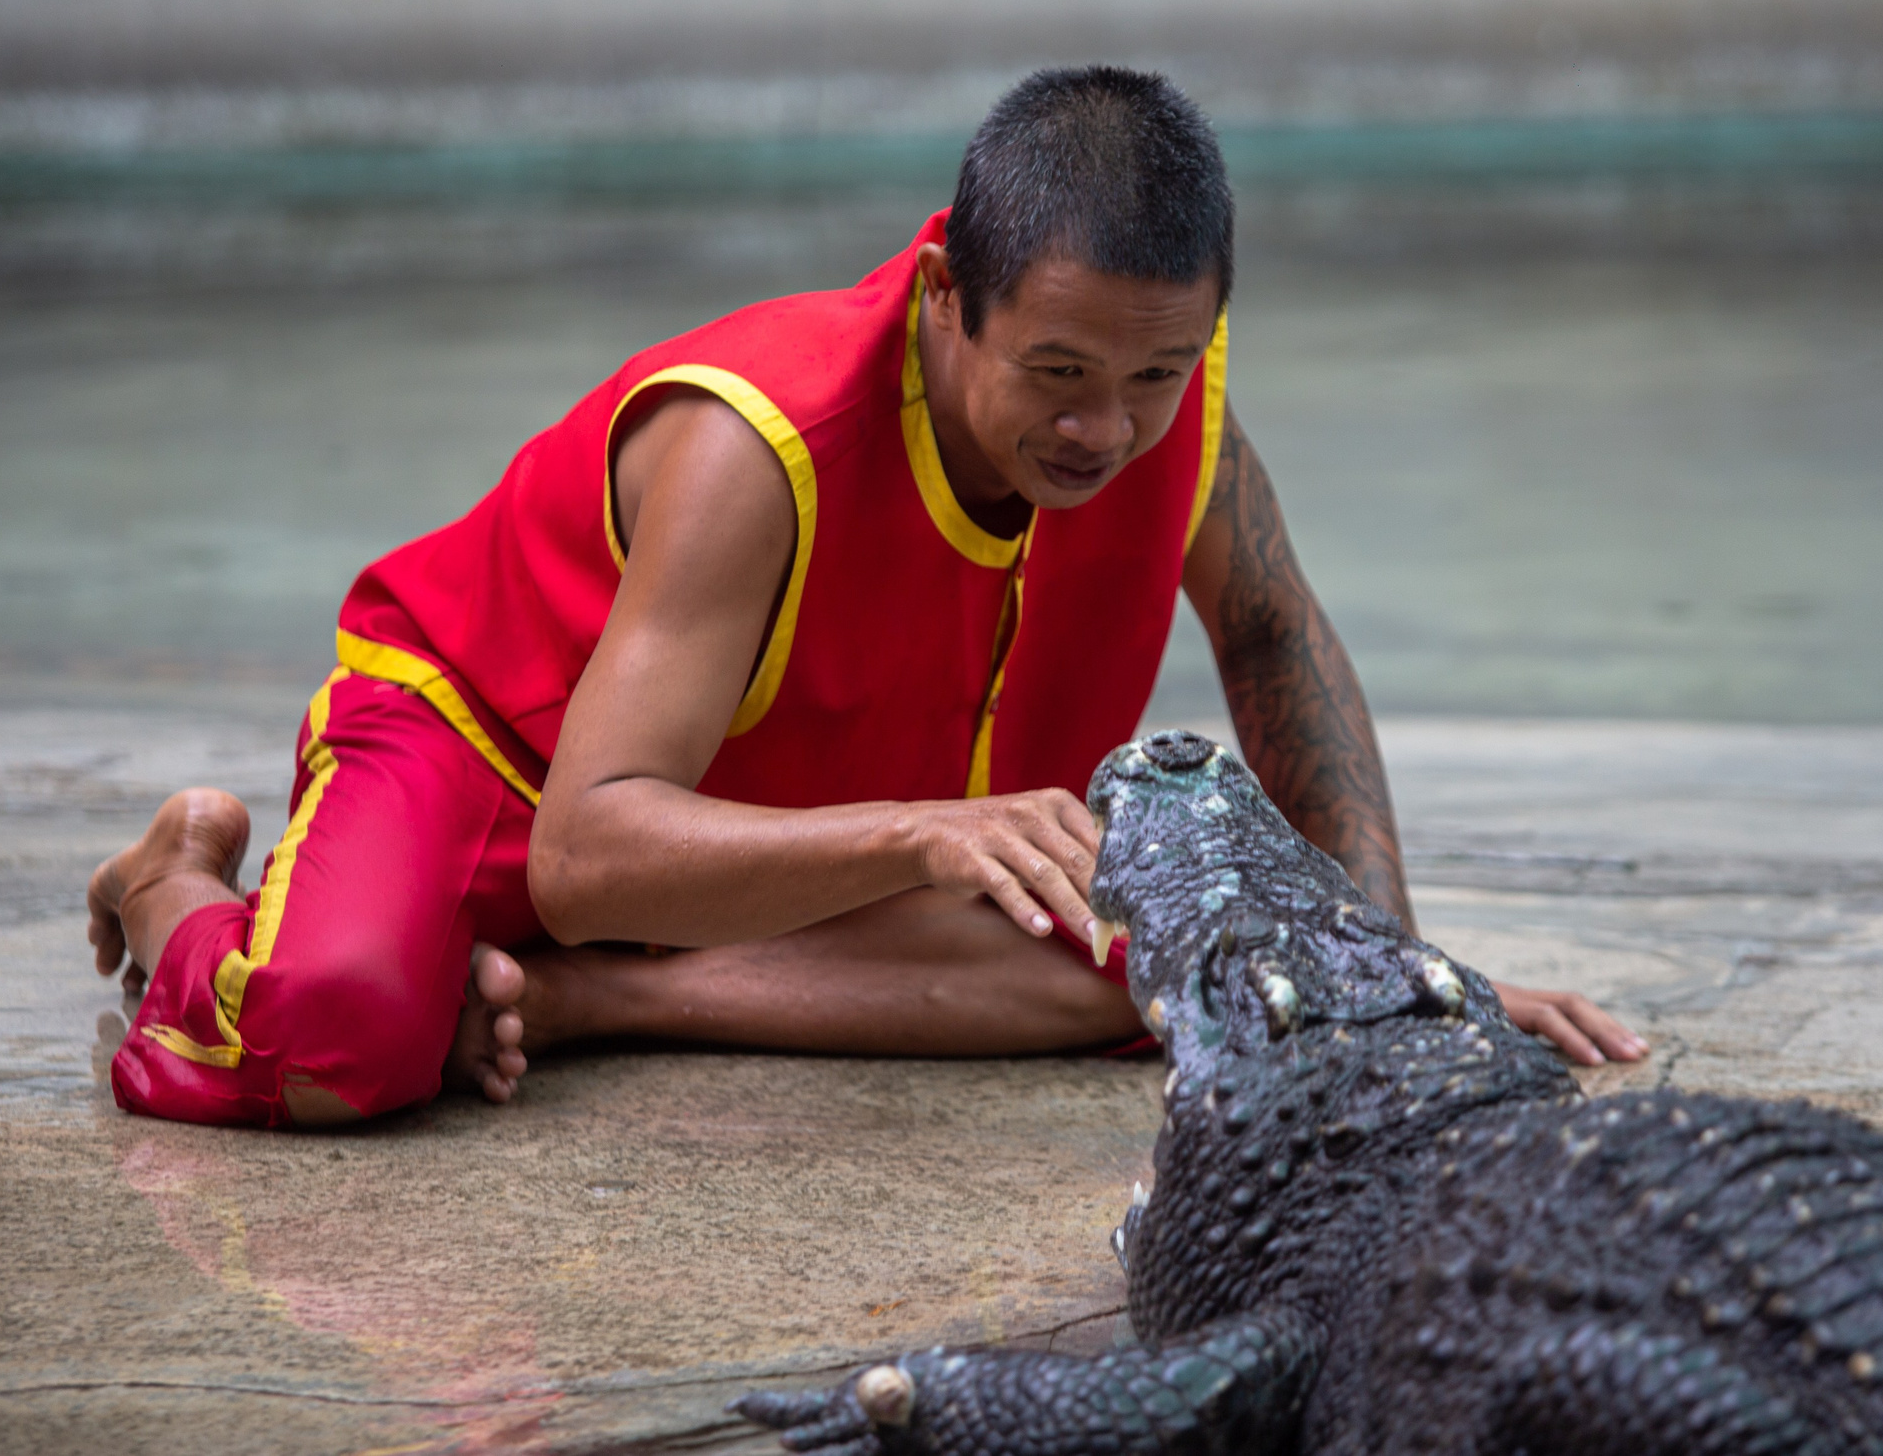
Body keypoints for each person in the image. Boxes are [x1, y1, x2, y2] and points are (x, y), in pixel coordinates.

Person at [85, 67, 1645, 1129]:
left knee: (1200, 983)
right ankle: (176, 883)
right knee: (342, 1042)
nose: (1104, 429)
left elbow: (1273, 637)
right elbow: (584, 848)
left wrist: (1390, 983)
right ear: (947, 296)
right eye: (1057, 373)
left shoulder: (1183, 417)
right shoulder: (756, 444)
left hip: (762, 842)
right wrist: (919, 834)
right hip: (499, 760)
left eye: (1156, 375)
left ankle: (592, 1009)